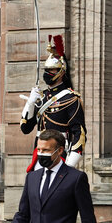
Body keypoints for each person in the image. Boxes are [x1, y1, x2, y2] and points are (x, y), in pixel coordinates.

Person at [20, 35, 87, 172]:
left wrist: (69, 165)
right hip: (38, 152)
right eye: (46, 70)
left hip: (59, 153)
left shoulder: (71, 98)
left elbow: (79, 133)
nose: (47, 74)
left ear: (61, 72)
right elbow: (25, 128)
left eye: (51, 70)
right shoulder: (41, 97)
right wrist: (31, 103)